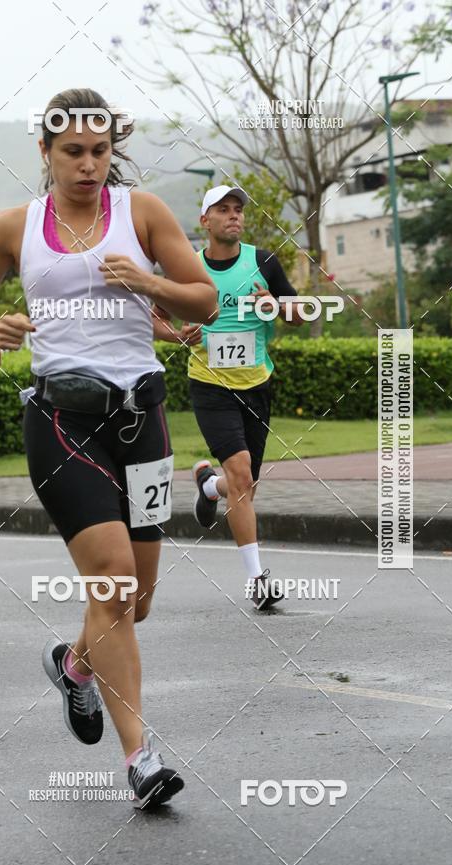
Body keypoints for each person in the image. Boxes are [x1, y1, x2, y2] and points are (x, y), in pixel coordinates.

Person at [0, 88, 217, 808]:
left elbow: (204, 300)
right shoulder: (16, 225)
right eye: (73, 152)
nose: (88, 165)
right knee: (112, 580)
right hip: (63, 423)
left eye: (100, 151)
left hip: (144, 424)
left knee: (138, 602)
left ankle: (74, 666)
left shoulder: (144, 214)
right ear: (46, 152)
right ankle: (142, 758)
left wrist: (148, 280)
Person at [153, 185, 303, 610]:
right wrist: (177, 336)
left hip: (257, 384)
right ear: (205, 221)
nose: (234, 216)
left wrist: (274, 305)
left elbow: (298, 313)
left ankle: (208, 486)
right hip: (210, 385)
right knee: (241, 474)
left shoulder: (263, 262)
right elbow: (154, 319)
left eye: (238, 210)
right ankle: (258, 579)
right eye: (224, 210)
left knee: (244, 484)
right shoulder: (188, 269)